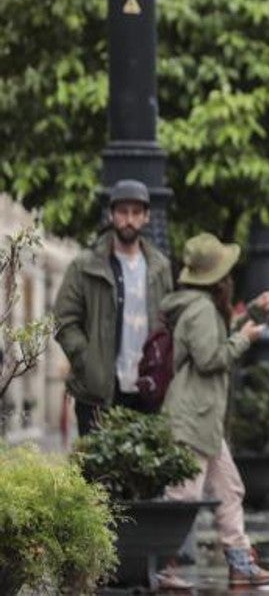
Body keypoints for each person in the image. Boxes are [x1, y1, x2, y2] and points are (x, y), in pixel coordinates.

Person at [158, 233, 269, 589]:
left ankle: (240, 563)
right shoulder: (199, 309)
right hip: (192, 417)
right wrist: (247, 339)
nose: (230, 277)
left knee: (229, 489)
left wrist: (253, 312)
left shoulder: (201, 305)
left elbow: (216, 337)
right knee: (184, 496)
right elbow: (211, 357)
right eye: (226, 271)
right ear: (216, 277)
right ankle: (163, 566)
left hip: (204, 418)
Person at [53, 180, 173, 437]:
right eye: (122, 212)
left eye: (136, 212)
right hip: (99, 391)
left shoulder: (159, 267)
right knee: (98, 473)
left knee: (144, 472)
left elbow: (168, 320)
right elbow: (63, 319)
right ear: (111, 214)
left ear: (146, 217)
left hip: (146, 389)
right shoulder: (85, 265)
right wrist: (87, 360)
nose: (129, 219)